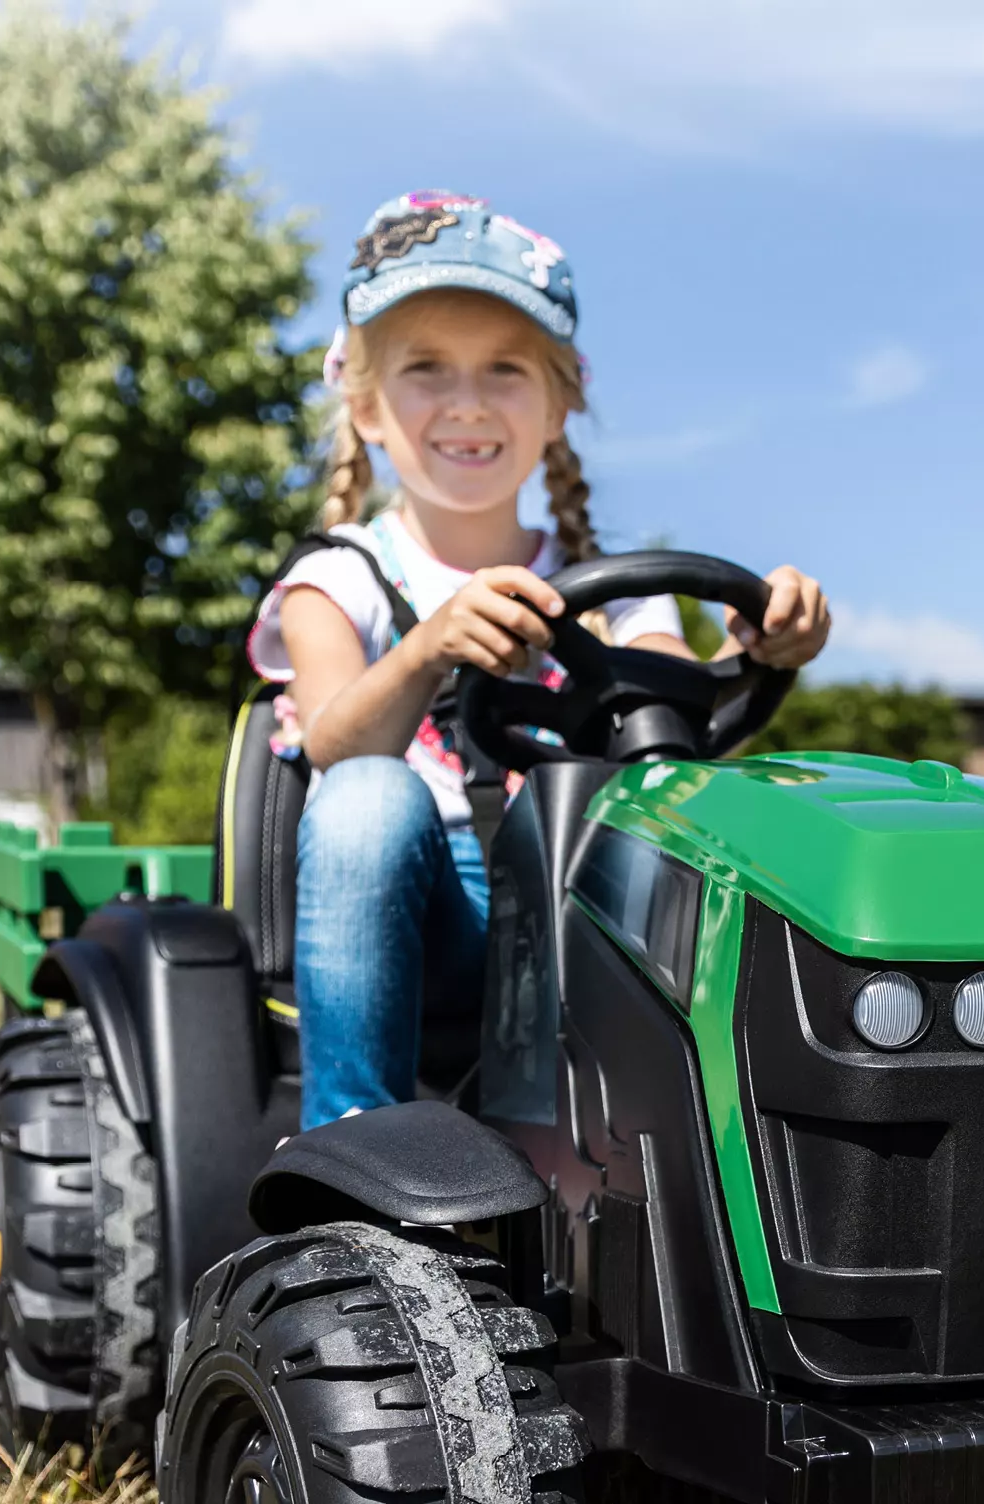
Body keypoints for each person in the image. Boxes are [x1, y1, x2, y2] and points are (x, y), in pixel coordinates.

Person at [247, 190, 832, 1129]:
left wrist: (760, 649)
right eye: (427, 369)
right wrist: (430, 647)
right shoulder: (340, 578)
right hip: (419, 909)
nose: (468, 403)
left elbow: (667, 747)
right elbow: (330, 746)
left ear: (561, 404)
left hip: (574, 904)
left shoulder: (617, 583)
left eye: (506, 370)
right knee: (368, 793)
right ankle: (350, 1149)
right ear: (363, 405)